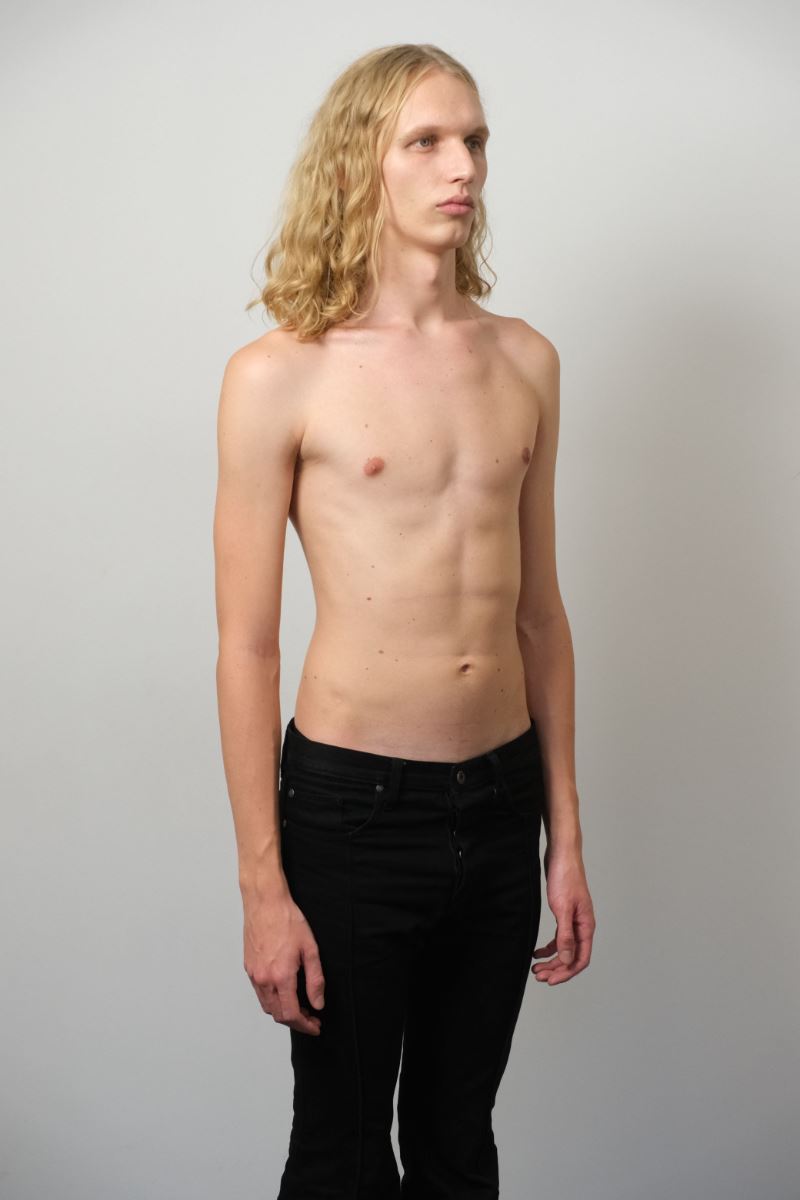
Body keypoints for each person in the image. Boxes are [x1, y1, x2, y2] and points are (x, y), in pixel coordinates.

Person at [213, 41, 596, 1200]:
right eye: (424, 141)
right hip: (351, 814)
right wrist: (263, 889)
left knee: (457, 1144)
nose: (460, 166)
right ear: (357, 164)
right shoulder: (278, 373)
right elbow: (245, 648)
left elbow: (539, 617)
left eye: (472, 140)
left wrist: (566, 839)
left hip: (499, 803)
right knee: (338, 1156)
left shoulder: (524, 360)